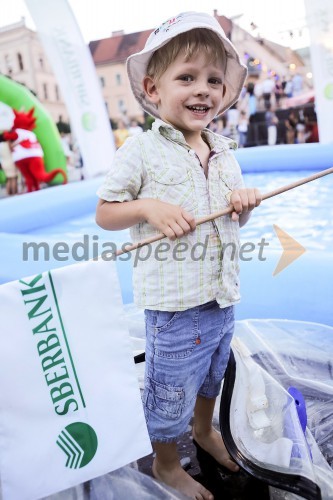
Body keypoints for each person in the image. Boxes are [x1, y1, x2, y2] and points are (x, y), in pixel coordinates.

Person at [96, 11, 262, 500]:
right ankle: (167, 464)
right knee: (168, 393)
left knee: (213, 374)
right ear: (153, 89)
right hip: (173, 309)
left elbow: (233, 223)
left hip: (221, 295)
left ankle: (205, 431)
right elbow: (106, 213)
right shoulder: (141, 150)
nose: (203, 89)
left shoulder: (225, 152)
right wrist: (147, 206)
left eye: (214, 80)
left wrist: (243, 206)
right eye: (186, 78)